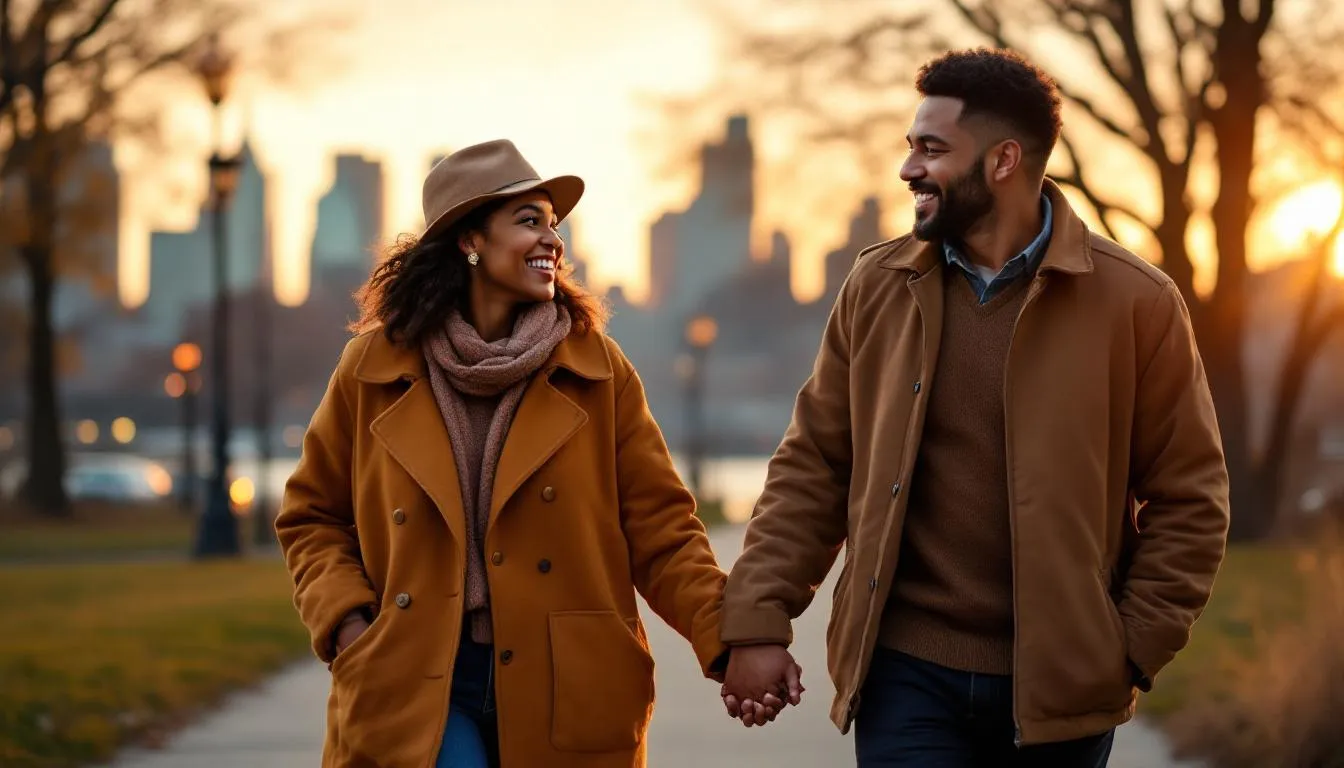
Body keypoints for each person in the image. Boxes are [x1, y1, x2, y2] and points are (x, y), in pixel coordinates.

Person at [717, 48, 1230, 767]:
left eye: (932, 149)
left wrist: (1126, 651)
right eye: (910, 147)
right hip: (906, 675)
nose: (908, 169)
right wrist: (758, 622)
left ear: (1002, 161)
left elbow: (1191, 498)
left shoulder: (1137, 304)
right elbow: (815, 466)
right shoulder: (877, 287)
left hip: (1060, 692)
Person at [274, 139, 792, 768]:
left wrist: (728, 641)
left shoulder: (598, 369)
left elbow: (662, 531)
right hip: (413, 675)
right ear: (470, 239)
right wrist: (349, 623)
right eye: (528, 221)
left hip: (567, 681)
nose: (553, 239)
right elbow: (312, 516)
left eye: (553, 223)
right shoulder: (372, 368)